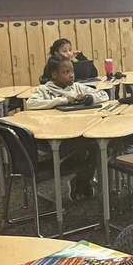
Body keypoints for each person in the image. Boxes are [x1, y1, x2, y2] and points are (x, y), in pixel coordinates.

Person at [25, 56, 110, 199]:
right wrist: (63, 100)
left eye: (72, 71)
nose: (71, 75)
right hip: (55, 137)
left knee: (97, 147)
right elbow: (30, 104)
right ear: (54, 75)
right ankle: (80, 178)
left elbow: (104, 95)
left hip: (78, 132)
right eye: (65, 72)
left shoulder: (76, 87)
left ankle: (82, 180)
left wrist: (90, 98)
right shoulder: (45, 90)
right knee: (88, 149)